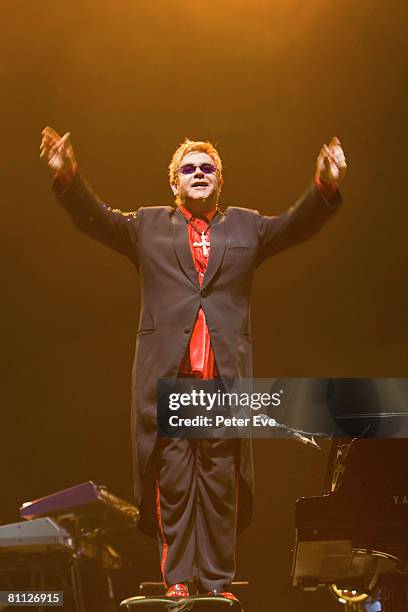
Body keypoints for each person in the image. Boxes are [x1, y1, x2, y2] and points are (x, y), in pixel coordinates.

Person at [40, 127, 347, 601]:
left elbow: (295, 224)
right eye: (189, 168)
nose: (199, 173)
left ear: (219, 182)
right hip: (172, 381)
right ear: (174, 182)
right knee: (176, 485)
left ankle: (218, 584)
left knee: (221, 487)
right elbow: (96, 220)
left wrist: (324, 186)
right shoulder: (146, 226)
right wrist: (69, 178)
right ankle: (180, 581)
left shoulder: (246, 227)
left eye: (208, 168)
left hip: (222, 381)